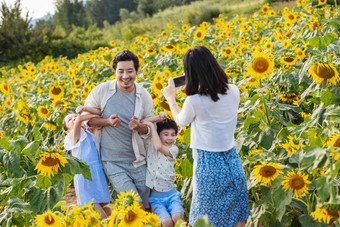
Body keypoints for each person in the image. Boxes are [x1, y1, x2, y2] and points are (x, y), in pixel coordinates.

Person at [161, 46, 250, 227]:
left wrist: (171, 98)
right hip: (233, 161)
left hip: (209, 167)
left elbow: (180, 121)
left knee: (204, 221)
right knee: (238, 216)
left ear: (190, 74)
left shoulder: (194, 101)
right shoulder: (234, 90)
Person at [84, 50, 154, 210]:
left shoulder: (144, 95)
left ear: (136, 71)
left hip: (138, 160)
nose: (125, 76)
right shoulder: (101, 91)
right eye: (121, 71)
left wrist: (140, 127)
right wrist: (107, 121)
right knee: (135, 205)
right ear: (114, 72)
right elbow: (87, 120)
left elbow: (150, 129)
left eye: (130, 71)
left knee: (147, 206)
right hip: (112, 161)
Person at [63, 106, 111, 219]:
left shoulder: (90, 133)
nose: (74, 118)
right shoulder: (73, 137)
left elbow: (99, 113)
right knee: (100, 217)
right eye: (70, 120)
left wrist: (86, 110)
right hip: (84, 178)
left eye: (74, 116)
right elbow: (80, 120)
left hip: (98, 175)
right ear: (67, 131)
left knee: (109, 213)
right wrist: (81, 116)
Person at [141, 113, 185, 227]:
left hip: (172, 195)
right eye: (166, 134)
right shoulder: (149, 144)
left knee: (178, 217)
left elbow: (159, 147)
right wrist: (157, 119)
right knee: (166, 222)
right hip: (155, 198)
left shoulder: (173, 149)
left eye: (173, 135)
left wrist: (151, 125)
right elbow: (142, 121)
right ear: (158, 133)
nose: (170, 138)